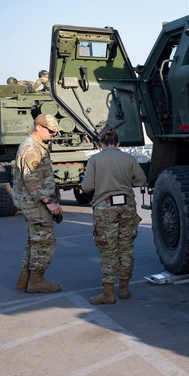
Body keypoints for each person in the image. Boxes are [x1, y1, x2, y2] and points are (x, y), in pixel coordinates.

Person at [81, 127, 147, 305]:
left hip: (105, 206)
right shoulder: (128, 158)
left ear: (101, 143)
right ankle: (124, 289)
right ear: (118, 144)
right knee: (126, 248)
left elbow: (86, 187)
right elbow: (141, 180)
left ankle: (108, 293)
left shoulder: (95, 159)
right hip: (127, 205)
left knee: (108, 250)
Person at [13, 113, 64, 293]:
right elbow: (31, 179)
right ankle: (36, 281)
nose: (52, 134)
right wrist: (49, 202)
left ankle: (24, 279)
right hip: (35, 203)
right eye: (50, 131)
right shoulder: (32, 148)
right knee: (44, 241)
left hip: (33, 202)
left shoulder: (35, 145)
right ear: (39, 128)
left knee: (34, 241)